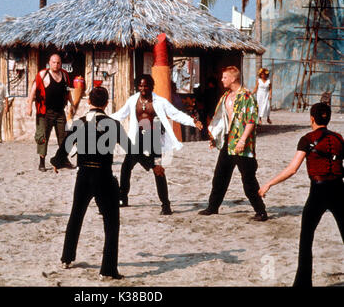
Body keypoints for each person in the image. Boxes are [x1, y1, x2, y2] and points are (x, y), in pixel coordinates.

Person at [51, 87, 162, 280]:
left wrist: (57, 162)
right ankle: (108, 270)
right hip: (103, 176)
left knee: (76, 216)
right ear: (106, 104)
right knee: (111, 224)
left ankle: (66, 258)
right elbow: (131, 150)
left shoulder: (79, 123)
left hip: (83, 175)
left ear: (88, 102)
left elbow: (63, 149)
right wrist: (152, 165)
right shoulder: (113, 124)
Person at [259, 102, 343, 287]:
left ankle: (303, 283)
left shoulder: (307, 139)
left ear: (311, 118)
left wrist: (269, 184)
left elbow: (292, 169)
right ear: (327, 118)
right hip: (339, 190)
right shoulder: (339, 138)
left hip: (318, 192)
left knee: (306, 238)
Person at [111, 74, 203, 215]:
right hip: (137, 139)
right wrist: (99, 117)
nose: (143, 88)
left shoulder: (160, 102)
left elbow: (176, 114)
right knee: (126, 167)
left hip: (154, 139)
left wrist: (192, 122)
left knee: (158, 169)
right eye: (140, 85)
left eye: (145, 85)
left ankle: (165, 205)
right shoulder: (133, 100)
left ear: (151, 86)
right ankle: (123, 198)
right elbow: (120, 114)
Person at [199, 66, 268, 221]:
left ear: (233, 78)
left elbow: (252, 121)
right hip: (228, 140)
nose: (222, 79)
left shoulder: (247, 96)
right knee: (219, 176)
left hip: (242, 143)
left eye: (224, 77)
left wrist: (243, 140)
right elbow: (223, 120)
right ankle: (213, 207)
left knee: (248, 179)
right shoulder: (226, 96)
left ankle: (261, 211)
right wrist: (215, 138)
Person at [27, 54, 75, 171]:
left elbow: (67, 92)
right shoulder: (43, 75)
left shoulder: (64, 75)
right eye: (53, 62)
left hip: (60, 112)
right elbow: (33, 91)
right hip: (45, 113)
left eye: (58, 62)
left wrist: (72, 104)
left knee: (63, 137)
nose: (56, 65)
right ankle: (42, 163)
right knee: (43, 137)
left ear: (61, 63)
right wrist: (29, 106)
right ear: (49, 62)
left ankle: (63, 160)